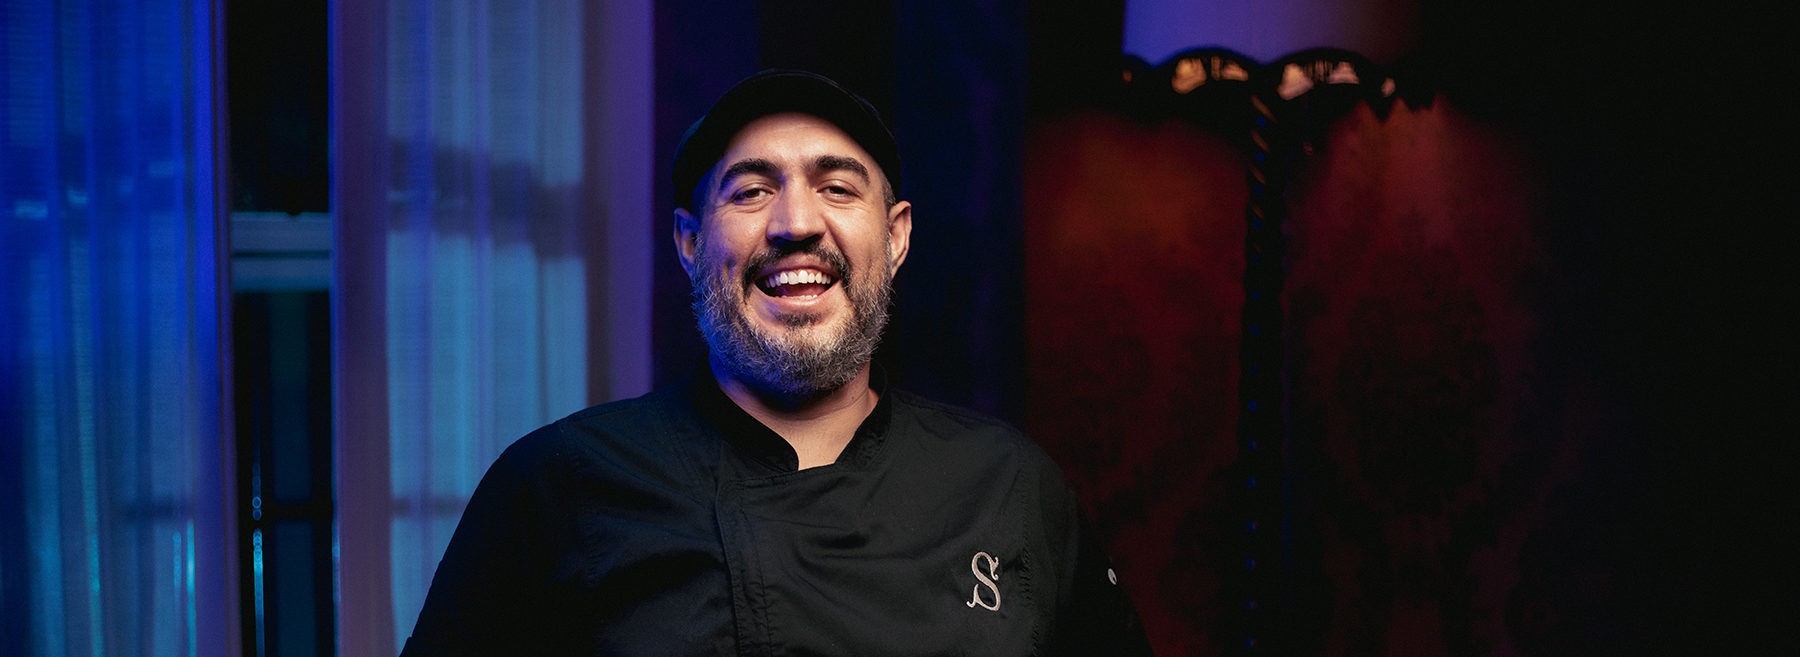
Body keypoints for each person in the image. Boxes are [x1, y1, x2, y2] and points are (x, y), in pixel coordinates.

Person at [399, 70, 1152, 657]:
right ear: (690, 243)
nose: (795, 223)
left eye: (837, 188)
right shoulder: (552, 487)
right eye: (753, 191)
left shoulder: (1012, 486)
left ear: (895, 238)